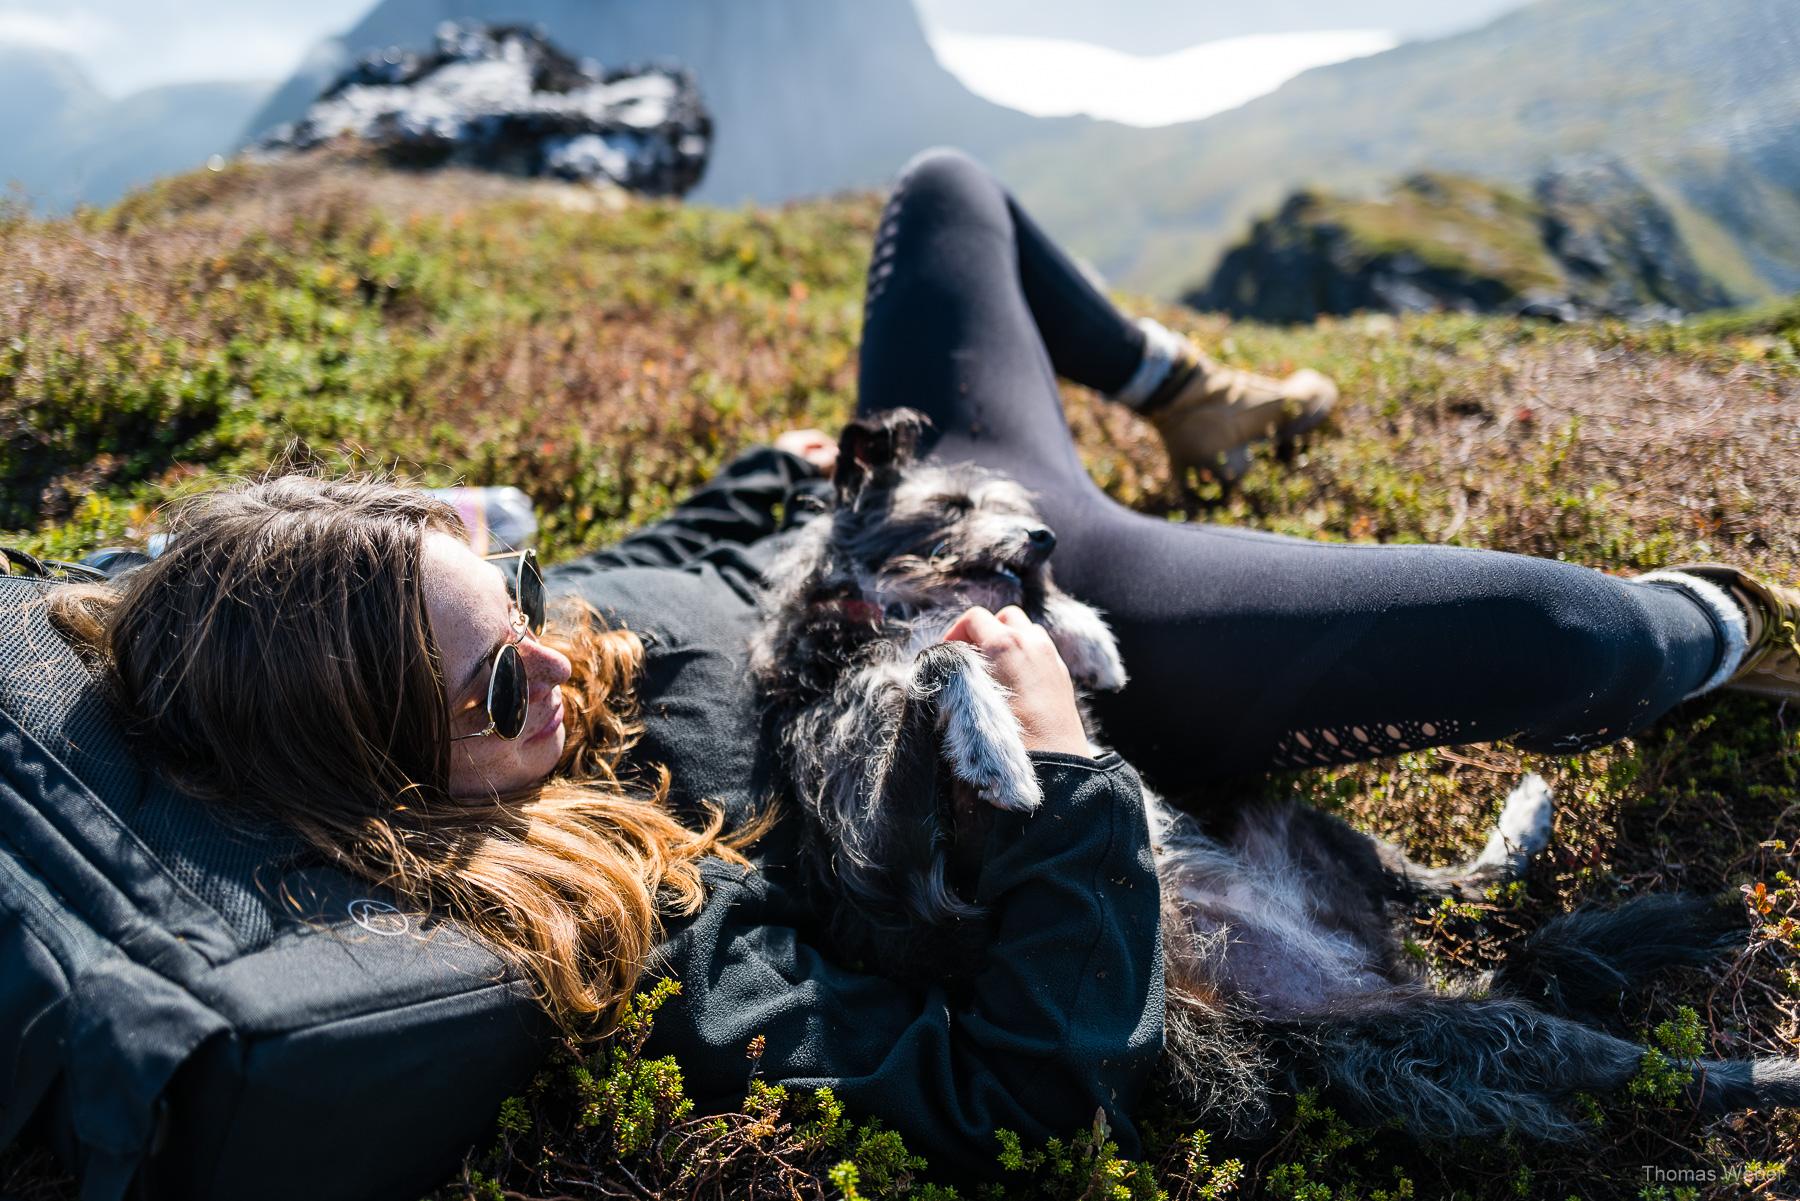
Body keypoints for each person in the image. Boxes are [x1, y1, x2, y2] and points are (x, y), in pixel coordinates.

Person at [44, 146, 1800, 1178]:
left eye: (514, 596)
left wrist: (779, 481)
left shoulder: (522, 651)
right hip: (1084, 636)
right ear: (393, 790)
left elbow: (655, 566)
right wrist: (1069, 779)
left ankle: (1195, 395)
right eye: (499, 694)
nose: (556, 671)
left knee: (950, 186)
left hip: (911, 495)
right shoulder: (641, 920)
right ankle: (1743, 627)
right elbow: (1020, 1089)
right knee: (1577, 634)